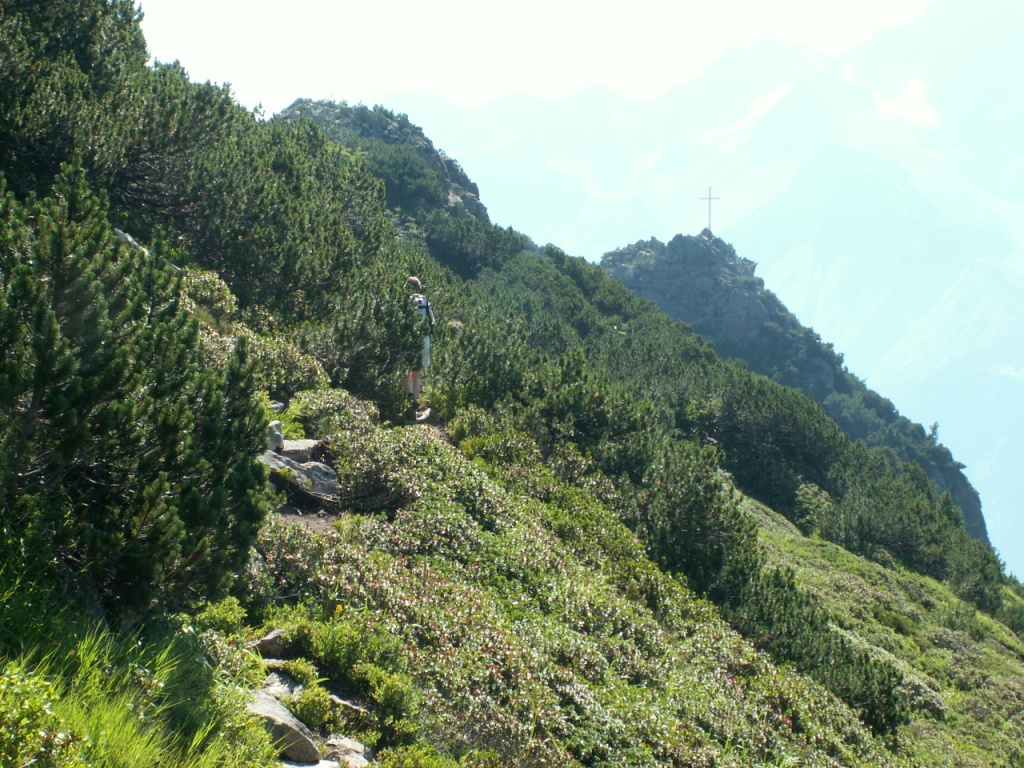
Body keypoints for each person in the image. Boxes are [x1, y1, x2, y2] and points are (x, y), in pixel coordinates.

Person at [402, 276, 435, 418]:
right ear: (419, 288)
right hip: (424, 340)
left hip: (408, 340)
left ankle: (411, 398)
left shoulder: (404, 301)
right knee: (416, 374)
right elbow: (432, 324)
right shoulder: (426, 302)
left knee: (403, 371)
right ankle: (413, 410)